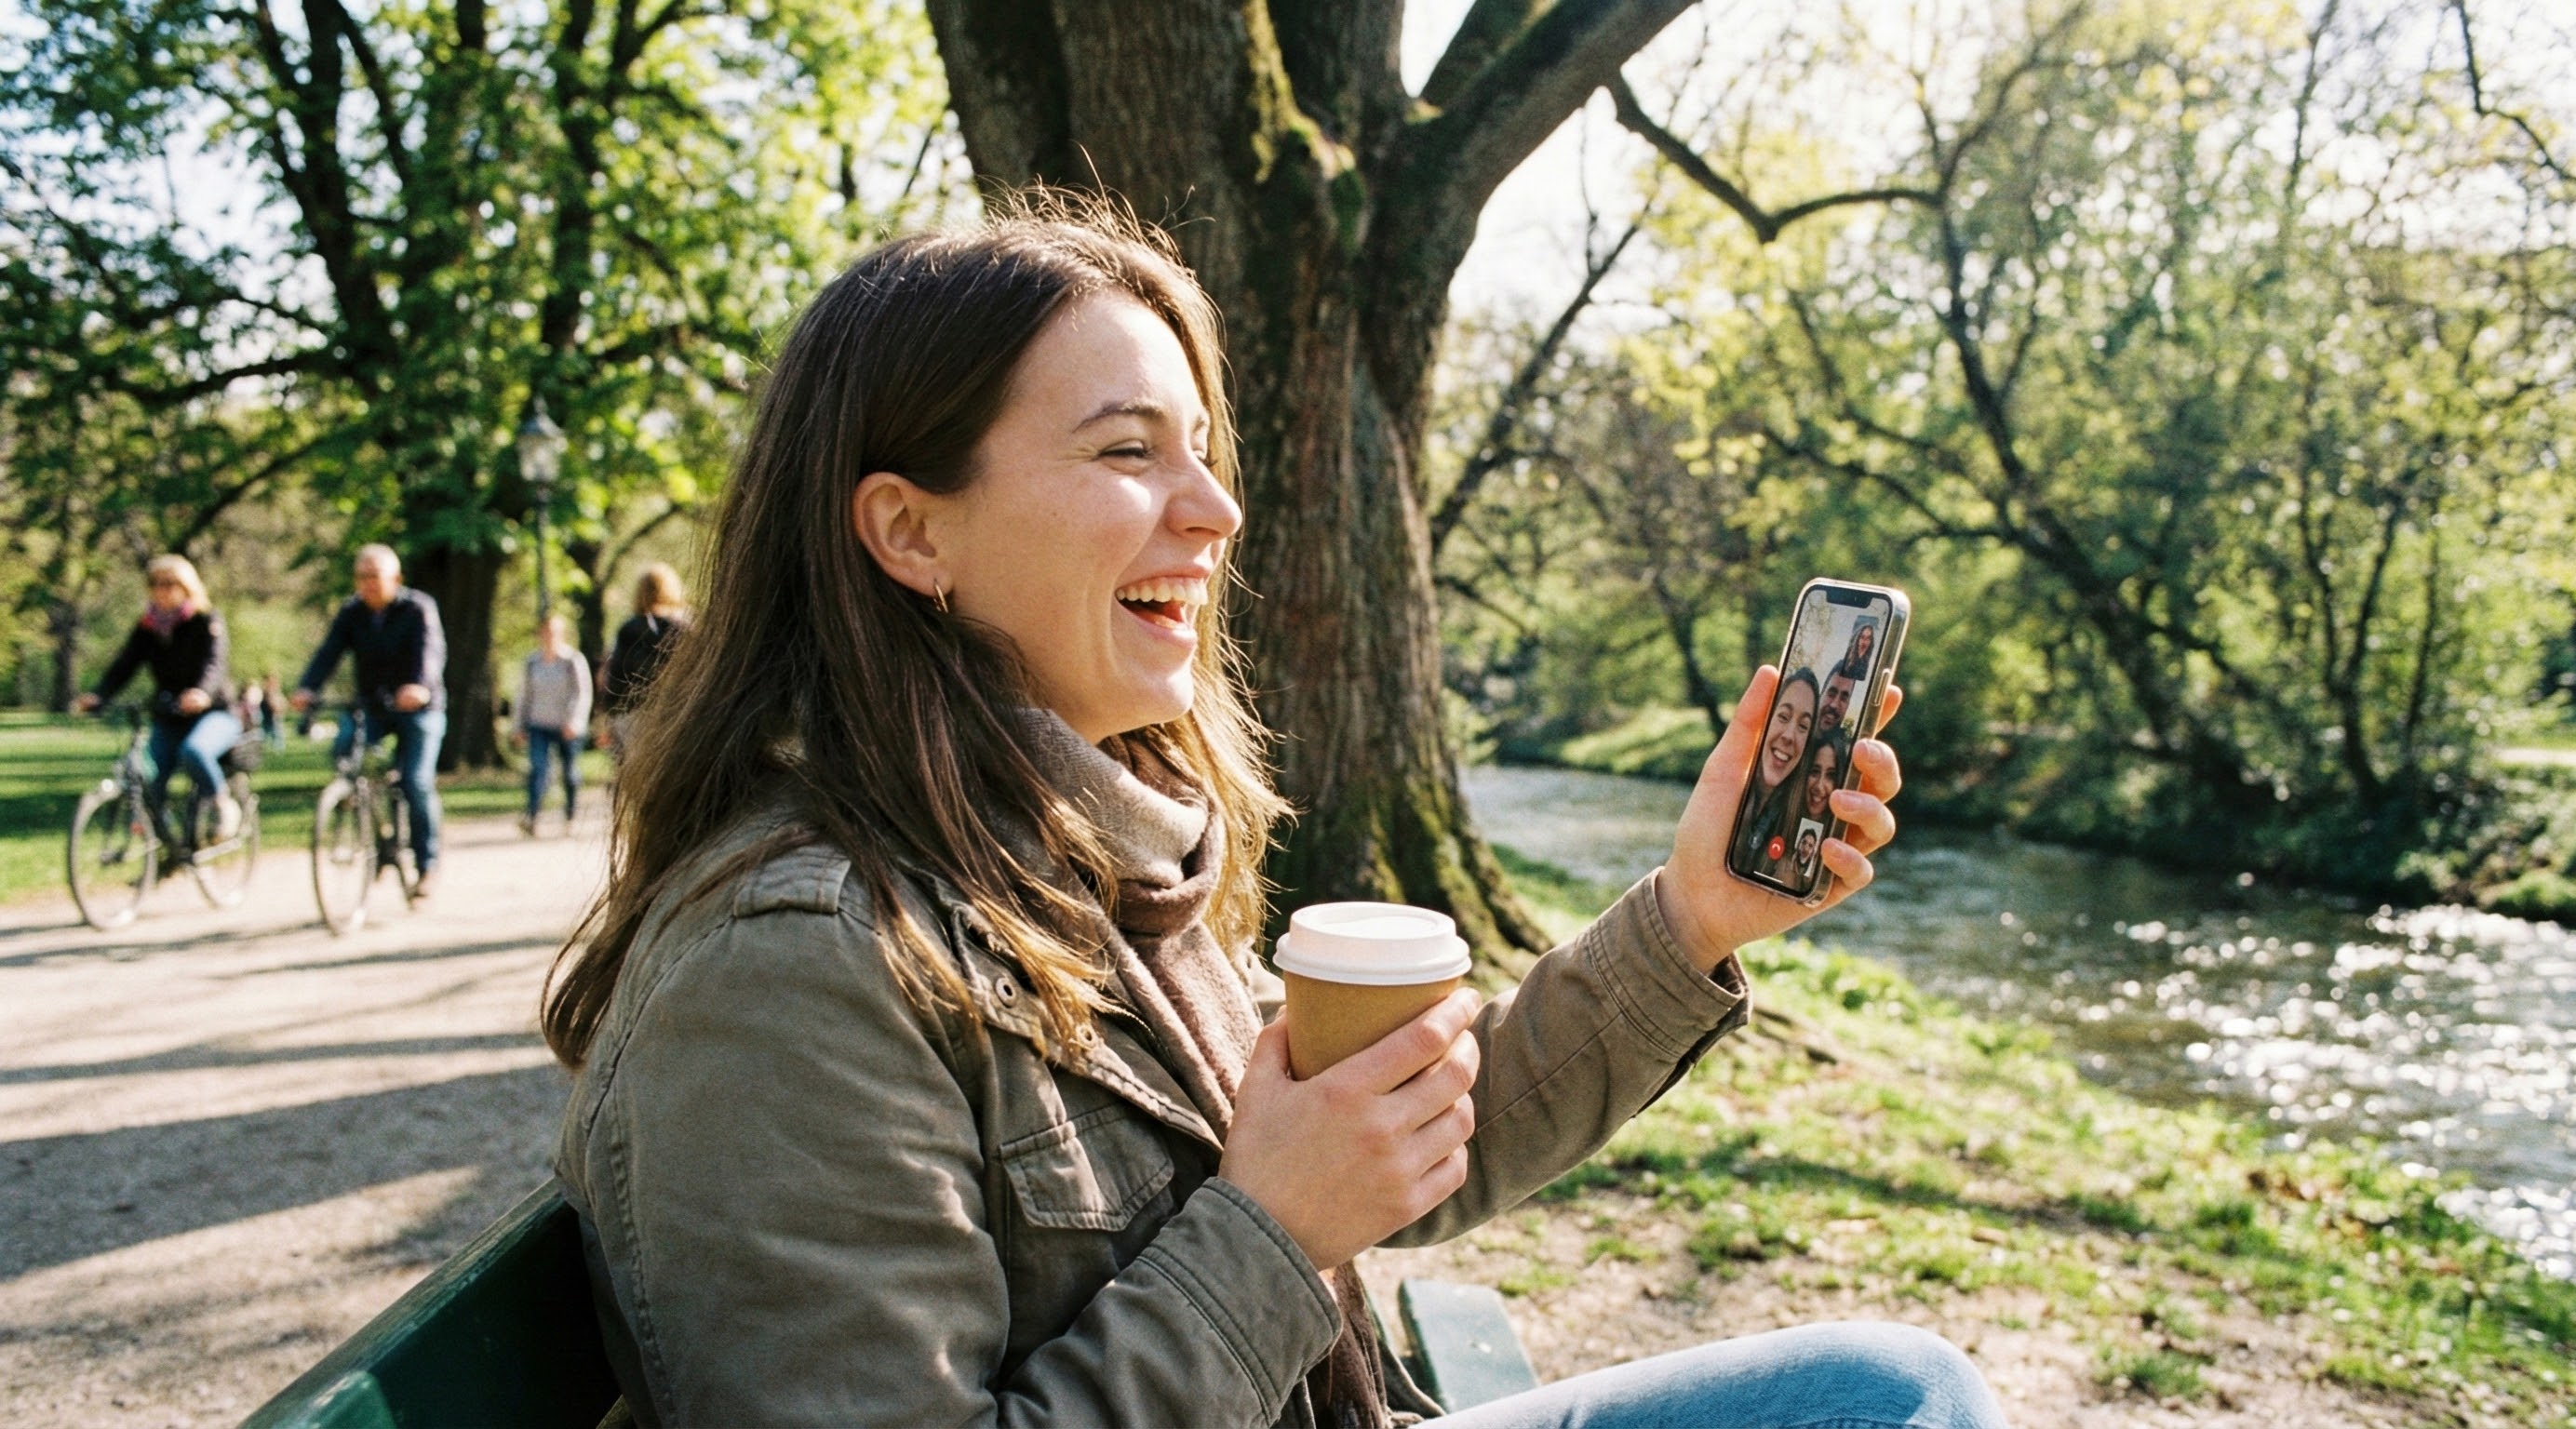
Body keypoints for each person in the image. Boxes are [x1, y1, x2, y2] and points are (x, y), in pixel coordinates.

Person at [541, 206, 1995, 1429]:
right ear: (911, 531)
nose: (1217, 510)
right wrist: (1274, 1236)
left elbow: (1400, 1141)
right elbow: (1298, 1202)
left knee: (1897, 1389)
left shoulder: (1079, 851)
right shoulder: (788, 973)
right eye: (1128, 453)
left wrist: (1694, 920)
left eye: (1198, 447)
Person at [292, 544, 449, 897]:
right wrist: (307, 688)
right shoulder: (352, 612)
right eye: (361, 577)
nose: (367, 584)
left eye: (374, 576)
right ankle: (367, 819)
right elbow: (328, 652)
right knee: (344, 748)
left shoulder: (418, 608)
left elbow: (431, 652)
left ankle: (427, 865)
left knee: (416, 781)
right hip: (373, 706)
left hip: (419, 708)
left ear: (395, 579)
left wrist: (419, 687)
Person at [76, 555, 245, 840]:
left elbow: (214, 664)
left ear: (186, 586)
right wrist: (99, 694)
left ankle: (221, 804)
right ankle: (166, 847)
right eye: (155, 584)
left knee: (195, 752)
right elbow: (125, 664)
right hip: (170, 714)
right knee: (146, 776)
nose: (161, 590)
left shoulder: (205, 619)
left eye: (169, 583)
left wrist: (202, 692)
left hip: (214, 712)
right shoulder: (149, 626)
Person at [1726, 666, 1821, 879]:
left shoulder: (1802, 828)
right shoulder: (1726, 795)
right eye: (1783, 716)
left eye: (1803, 726)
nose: (1789, 736)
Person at [599, 563, 691, 761]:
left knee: (638, 771)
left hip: (633, 714)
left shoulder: (629, 629)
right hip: (678, 711)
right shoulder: (687, 628)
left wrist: (609, 715)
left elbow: (616, 677)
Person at [517, 615, 592, 835]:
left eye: (554, 632)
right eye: (546, 632)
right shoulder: (532, 662)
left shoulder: (572, 660)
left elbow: (583, 694)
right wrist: (518, 726)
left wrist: (575, 721)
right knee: (538, 769)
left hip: (567, 726)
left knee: (569, 771)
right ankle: (532, 815)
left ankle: (570, 815)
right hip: (538, 723)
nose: (550, 637)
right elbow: (524, 696)